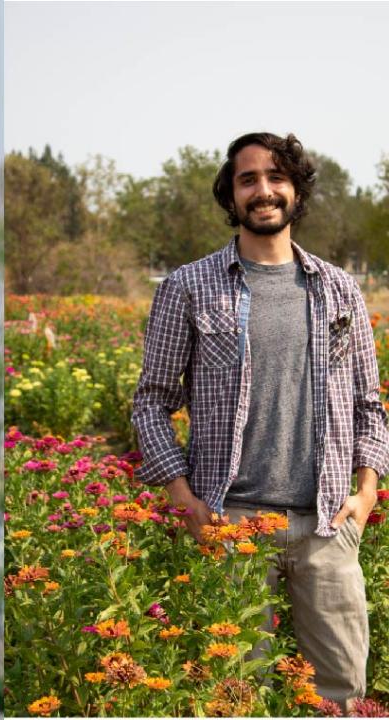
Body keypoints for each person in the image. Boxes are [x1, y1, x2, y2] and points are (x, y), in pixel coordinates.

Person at [132, 131, 389, 705]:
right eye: (248, 179)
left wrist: (367, 492)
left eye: (277, 177)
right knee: (235, 697)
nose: (264, 190)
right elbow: (151, 400)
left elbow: (369, 403)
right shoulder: (189, 287)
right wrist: (181, 493)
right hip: (232, 525)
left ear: (296, 191)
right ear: (231, 195)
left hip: (327, 524)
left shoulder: (340, 290)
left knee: (343, 694)